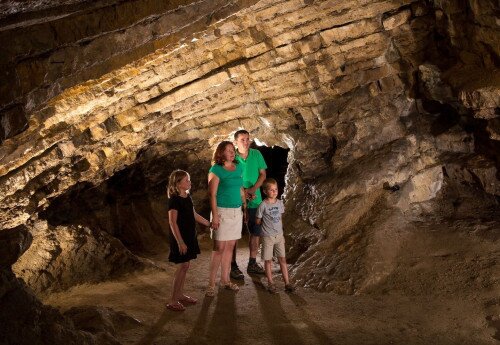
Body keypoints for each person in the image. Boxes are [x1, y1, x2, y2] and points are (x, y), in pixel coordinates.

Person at [206, 141, 247, 296]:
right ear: (221, 153)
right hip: (222, 212)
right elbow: (212, 194)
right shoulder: (216, 170)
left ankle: (225, 280)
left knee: (230, 247)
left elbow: (240, 187)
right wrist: (215, 216)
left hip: (236, 212)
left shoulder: (239, 167)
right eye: (228, 150)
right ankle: (211, 284)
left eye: (232, 150)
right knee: (218, 249)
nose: (232, 152)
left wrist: (244, 205)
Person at [167, 169, 211, 311]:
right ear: (178, 183)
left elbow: (194, 215)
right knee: (182, 267)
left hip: (189, 236)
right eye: (186, 180)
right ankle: (173, 300)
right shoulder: (174, 200)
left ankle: (179, 294)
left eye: (189, 179)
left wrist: (209, 224)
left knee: (186, 266)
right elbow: (172, 222)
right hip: (180, 238)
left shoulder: (187, 196)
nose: (189, 182)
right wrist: (180, 242)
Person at [231, 129, 267, 279]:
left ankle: (252, 263)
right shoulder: (232, 157)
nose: (246, 142)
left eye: (247, 139)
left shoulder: (256, 154)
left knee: (256, 232)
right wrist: (243, 192)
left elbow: (263, 174)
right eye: (242, 140)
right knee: (233, 234)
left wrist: (252, 189)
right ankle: (232, 266)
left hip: (255, 199)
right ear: (235, 142)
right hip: (236, 201)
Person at [256, 178, 295, 293]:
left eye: (276, 189)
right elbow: (258, 220)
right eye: (271, 190)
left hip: (279, 236)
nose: (274, 192)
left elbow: (280, 218)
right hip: (268, 236)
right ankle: (270, 283)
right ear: (265, 192)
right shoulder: (262, 205)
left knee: (282, 259)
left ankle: (287, 283)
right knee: (268, 260)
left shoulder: (280, 203)